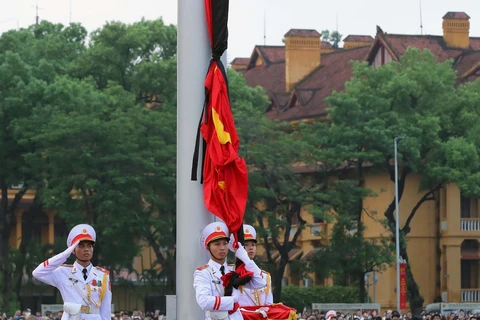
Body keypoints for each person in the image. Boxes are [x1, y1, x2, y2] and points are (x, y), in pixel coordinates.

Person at [32, 224, 112, 320]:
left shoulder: (102, 275)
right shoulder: (63, 272)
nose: (86, 249)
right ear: (73, 250)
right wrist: (64, 255)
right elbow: (37, 273)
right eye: (81, 246)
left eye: (89, 246)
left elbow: (105, 310)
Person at [193, 221, 267, 320]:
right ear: (208, 248)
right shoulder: (203, 273)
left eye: (225, 243)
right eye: (217, 244)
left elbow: (260, 283)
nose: (222, 248)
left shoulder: (233, 271)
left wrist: (246, 259)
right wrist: (232, 300)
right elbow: (204, 301)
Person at [229, 224, 273, 307]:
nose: (251, 248)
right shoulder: (229, 272)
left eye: (253, 245)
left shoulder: (265, 276)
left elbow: (269, 305)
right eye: (246, 244)